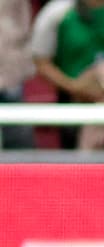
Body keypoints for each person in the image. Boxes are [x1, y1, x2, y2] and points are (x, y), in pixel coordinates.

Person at [30, 0, 104, 150]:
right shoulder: (56, 13)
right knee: (74, 159)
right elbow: (41, 62)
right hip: (71, 101)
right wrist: (75, 87)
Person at [0, 0, 36, 150]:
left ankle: (23, 161)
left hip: (10, 71)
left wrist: (10, 36)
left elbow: (25, 26)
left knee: (17, 134)